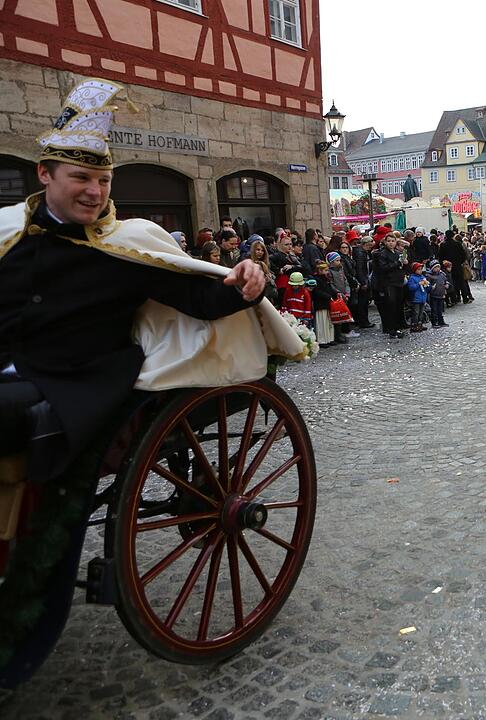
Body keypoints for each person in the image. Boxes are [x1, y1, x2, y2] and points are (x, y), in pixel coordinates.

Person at [0, 79, 286, 688]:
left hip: (76, 384)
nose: (94, 191)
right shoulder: (8, 234)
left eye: (103, 181)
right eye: (81, 178)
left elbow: (197, 293)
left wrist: (247, 280)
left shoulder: (126, 246)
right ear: (45, 175)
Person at [371, 236, 406, 338]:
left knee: (398, 306)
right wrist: (397, 263)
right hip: (389, 283)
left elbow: (401, 266)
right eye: (389, 241)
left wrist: (404, 263)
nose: (391, 243)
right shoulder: (382, 254)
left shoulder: (397, 253)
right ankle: (392, 329)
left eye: (393, 241)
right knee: (391, 306)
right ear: (385, 242)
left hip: (398, 281)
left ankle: (397, 327)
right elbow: (383, 268)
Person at [310, 261, 336, 347]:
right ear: (320, 270)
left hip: (326, 303)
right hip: (320, 304)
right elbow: (316, 292)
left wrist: (336, 293)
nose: (327, 272)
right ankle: (322, 340)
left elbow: (329, 289)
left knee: (328, 322)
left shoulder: (326, 279)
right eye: (325, 270)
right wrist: (328, 296)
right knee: (321, 323)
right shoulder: (316, 280)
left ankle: (329, 338)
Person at [405, 262, 430, 332]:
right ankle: (414, 325)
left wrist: (427, 285)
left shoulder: (422, 277)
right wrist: (419, 284)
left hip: (423, 298)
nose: (420, 271)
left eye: (421, 269)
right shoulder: (412, 278)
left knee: (421, 312)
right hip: (416, 298)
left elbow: (427, 287)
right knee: (416, 312)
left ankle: (420, 324)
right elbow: (411, 288)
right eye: (418, 269)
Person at [424, 261, 449, 327]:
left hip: (441, 294)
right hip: (433, 295)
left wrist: (447, 285)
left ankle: (441, 321)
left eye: (438, 267)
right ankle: (434, 322)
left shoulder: (442, 274)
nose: (437, 268)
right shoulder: (429, 276)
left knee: (440, 309)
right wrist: (431, 287)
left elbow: (446, 281)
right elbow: (427, 285)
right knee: (434, 309)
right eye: (435, 267)